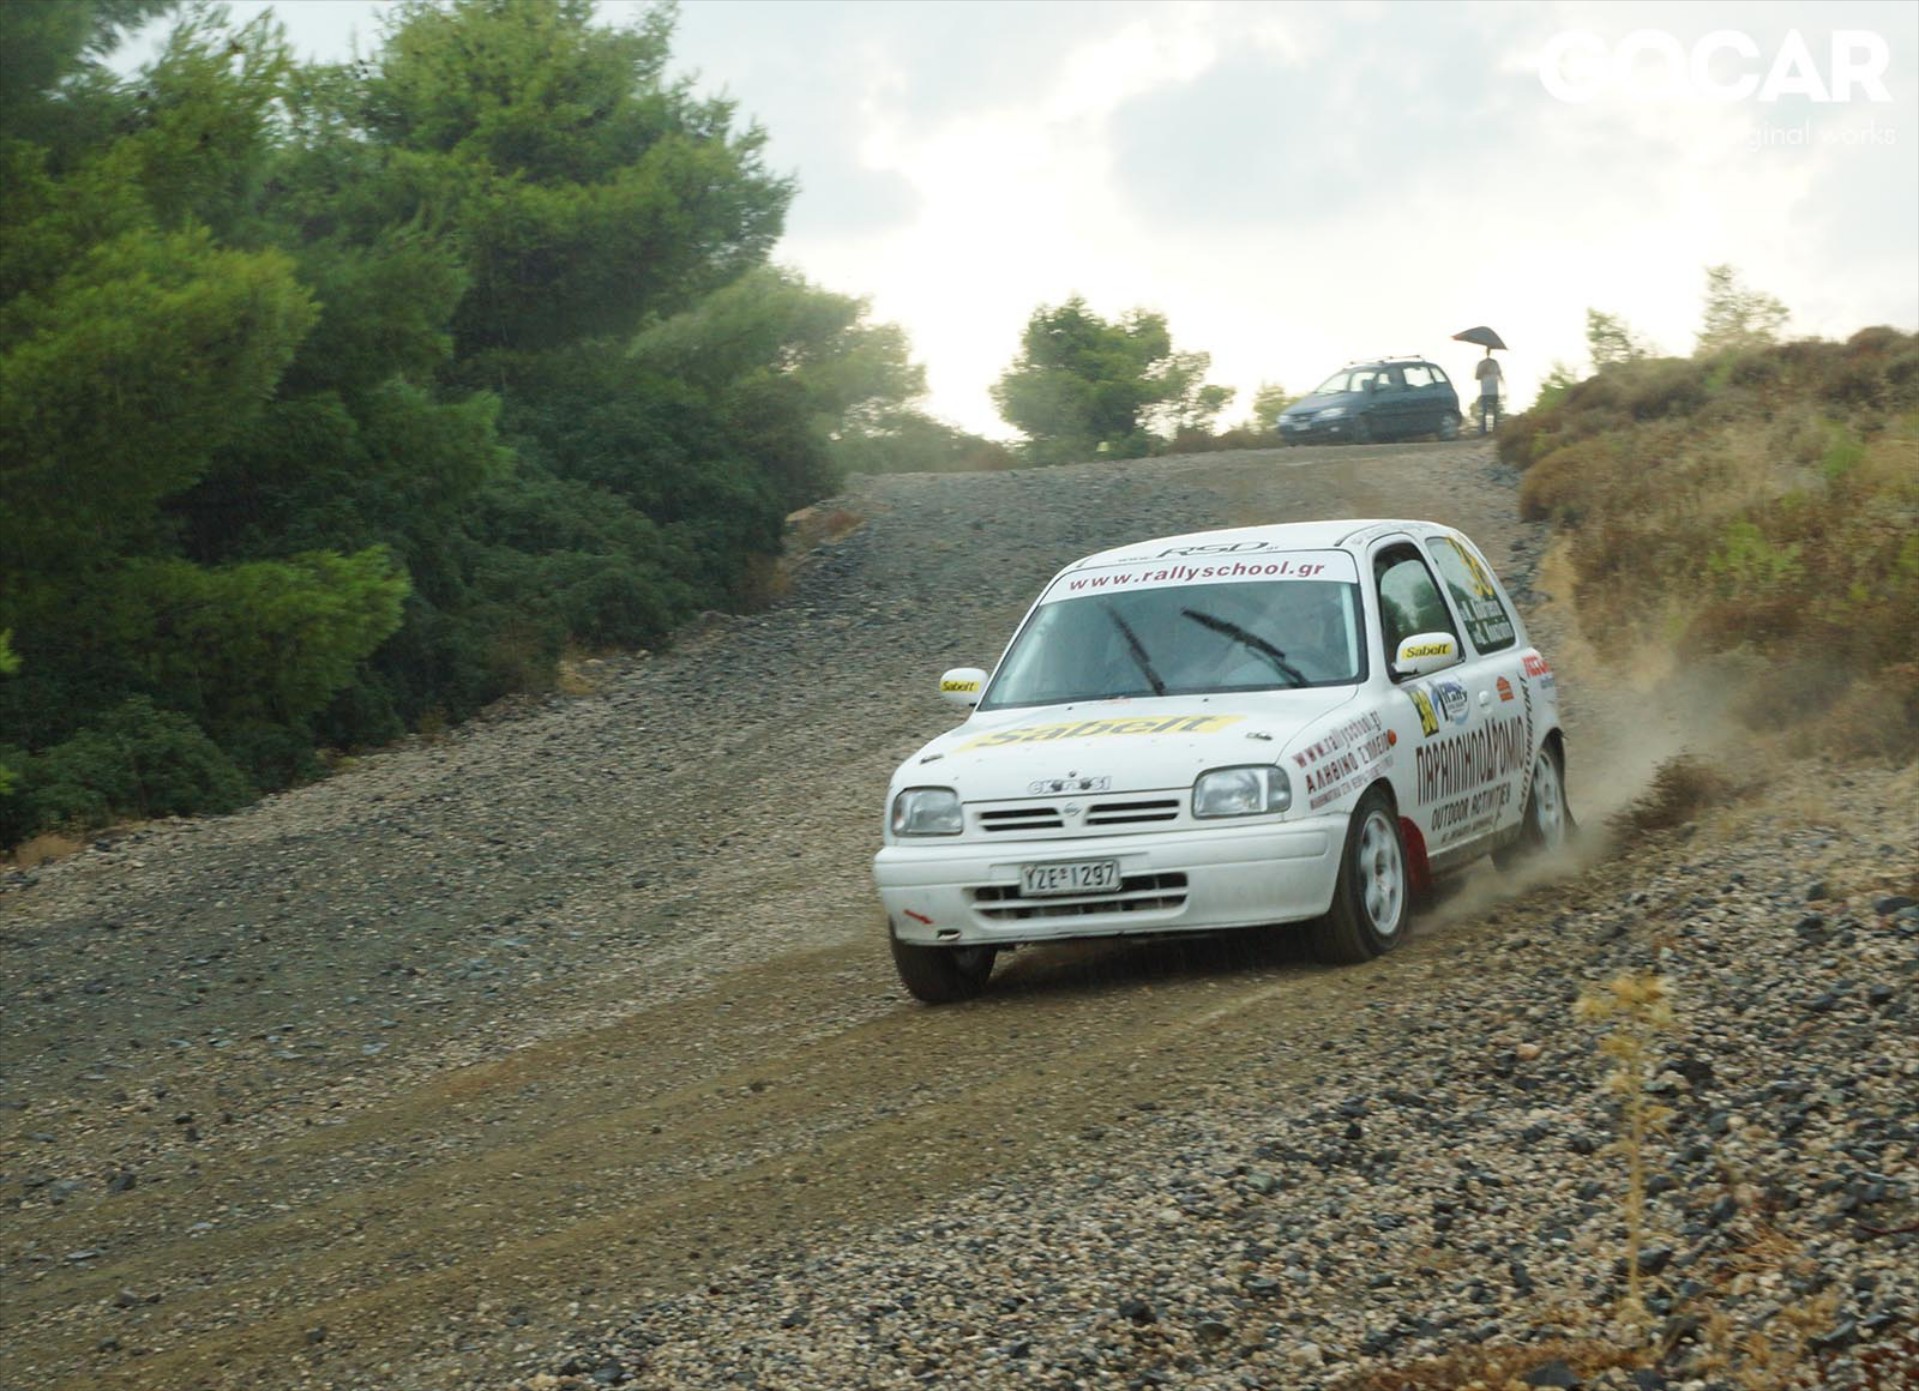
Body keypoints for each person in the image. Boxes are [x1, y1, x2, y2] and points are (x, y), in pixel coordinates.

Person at [1474, 349, 1503, 435]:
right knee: (1486, 412)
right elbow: (1476, 377)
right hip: (1487, 391)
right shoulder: (1482, 364)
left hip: (1491, 390)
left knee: (1493, 412)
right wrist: (1483, 370)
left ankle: (1493, 431)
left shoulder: (1494, 363)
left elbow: (1499, 374)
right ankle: (1485, 431)